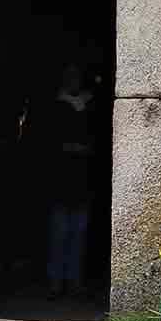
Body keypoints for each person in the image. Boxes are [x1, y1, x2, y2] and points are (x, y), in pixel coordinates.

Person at [40, 64, 96, 298]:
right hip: (60, 178)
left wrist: (88, 149)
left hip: (85, 178)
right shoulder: (55, 106)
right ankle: (56, 281)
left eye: (77, 75)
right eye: (69, 76)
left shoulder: (92, 105)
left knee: (79, 233)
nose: (73, 80)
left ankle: (74, 281)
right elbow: (45, 140)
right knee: (59, 232)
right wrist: (64, 148)